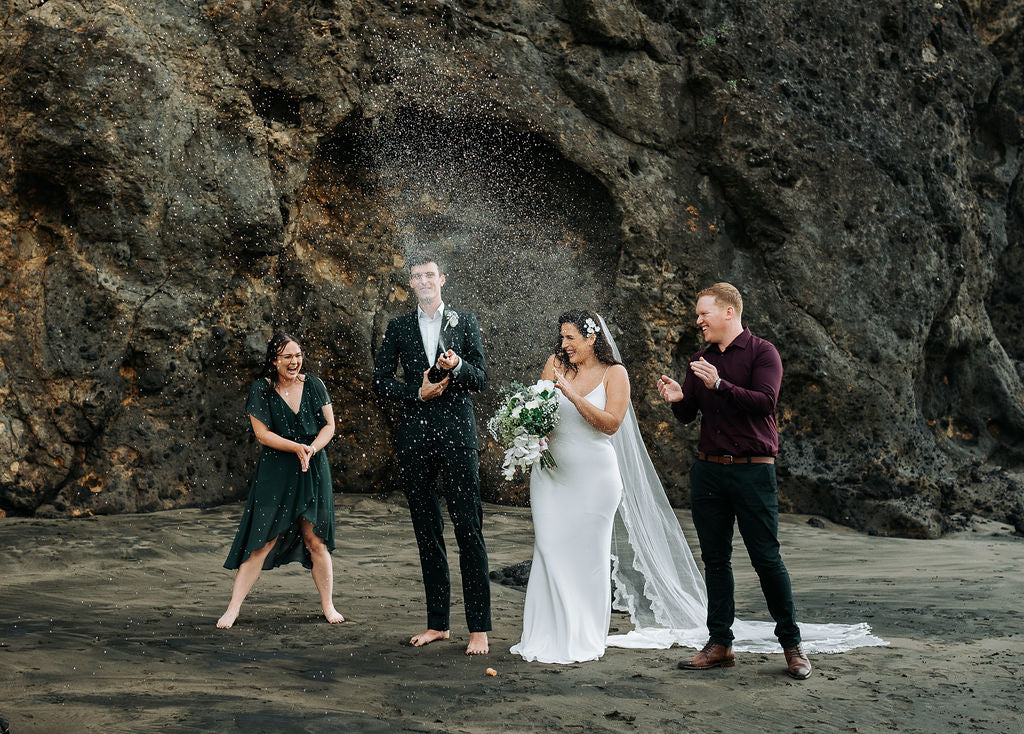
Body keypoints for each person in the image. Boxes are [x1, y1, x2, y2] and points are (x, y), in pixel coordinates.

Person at [657, 282, 811, 679]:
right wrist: (679, 398)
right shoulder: (700, 358)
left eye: (703, 313)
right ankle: (720, 643)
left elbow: (765, 402)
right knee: (715, 559)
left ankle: (792, 646)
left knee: (766, 558)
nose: (698, 321)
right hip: (708, 471)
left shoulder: (763, 353)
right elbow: (690, 415)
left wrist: (720, 385)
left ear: (729, 312)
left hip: (753, 469)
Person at [372, 253, 491, 655]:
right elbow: (380, 382)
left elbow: (482, 380)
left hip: (458, 437)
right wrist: (416, 392)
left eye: (429, 275)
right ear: (411, 284)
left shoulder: (465, 322)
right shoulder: (399, 326)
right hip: (415, 439)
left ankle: (479, 629)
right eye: (416, 276)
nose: (424, 280)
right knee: (427, 532)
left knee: (468, 529)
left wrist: (456, 365)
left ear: (442, 279)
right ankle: (438, 623)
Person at [510, 310, 631, 663]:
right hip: (551, 475)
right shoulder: (555, 363)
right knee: (549, 548)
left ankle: (584, 635)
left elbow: (610, 424)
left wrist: (572, 395)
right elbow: (540, 413)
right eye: (561, 337)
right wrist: (529, 434)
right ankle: (545, 633)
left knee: (587, 558)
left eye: (570, 338)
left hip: (595, 479)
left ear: (591, 339)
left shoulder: (615, 373)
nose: (563, 345)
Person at [217, 333, 343, 629]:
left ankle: (328, 605)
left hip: (313, 466)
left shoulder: (314, 384)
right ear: (274, 361)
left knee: (316, 541)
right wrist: (295, 447)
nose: (294, 361)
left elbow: (329, 426)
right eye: (287, 356)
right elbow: (262, 434)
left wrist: (311, 448)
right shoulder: (261, 389)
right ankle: (233, 608)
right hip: (277, 470)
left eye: (298, 355)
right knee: (261, 540)